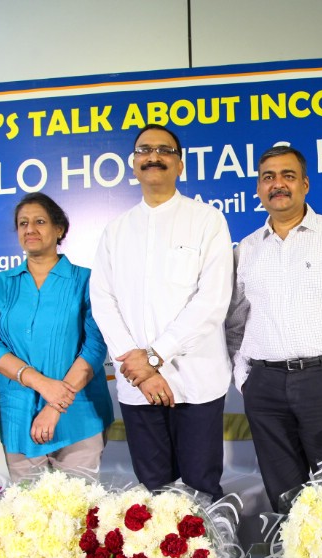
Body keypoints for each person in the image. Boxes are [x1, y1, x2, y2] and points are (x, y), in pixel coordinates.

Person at [225, 145, 322, 511]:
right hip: (264, 389)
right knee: (284, 500)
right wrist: (244, 377)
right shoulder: (246, 249)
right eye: (268, 177)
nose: (277, 184)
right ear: (259, 189)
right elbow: (234, 324)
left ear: (305, 184)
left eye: (287, 176)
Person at [90, 124, 233, 501]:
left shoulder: (208, 220)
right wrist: (139, 367)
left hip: (196, 382)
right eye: (144, 150)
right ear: (134, 164)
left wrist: (154, 356)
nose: (154, 156)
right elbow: (103, 300)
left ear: (180, 164)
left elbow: (212, 301)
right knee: (154, 493)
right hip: (138, 385)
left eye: (164, 150)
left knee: (202, 491)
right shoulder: (116, 231)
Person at [0, 193, 113, 481]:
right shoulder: (0, 284)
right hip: (18, 415)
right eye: (23, 223)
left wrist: (55, 404)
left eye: (40, 222)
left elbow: (95, 347)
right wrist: (41, 383)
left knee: (79, 513)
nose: (30, 229)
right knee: (31, 516)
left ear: (59, 229)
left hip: (77, 413)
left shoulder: (87, 280)